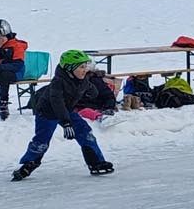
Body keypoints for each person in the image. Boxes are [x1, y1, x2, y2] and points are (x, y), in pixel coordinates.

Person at [12, 50, 116, 182]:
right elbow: (58, 104)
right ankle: (28, 164)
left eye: (85, 66)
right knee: (42, 141)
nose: (85, 70)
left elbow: (91, 89)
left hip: (67, 110)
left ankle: (96, 162)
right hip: (47, 113)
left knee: (85, 132)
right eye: (81, 67)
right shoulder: (58, 83)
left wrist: (91, 93)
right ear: (69, 68)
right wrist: (66, 123)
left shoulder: (82, 79)